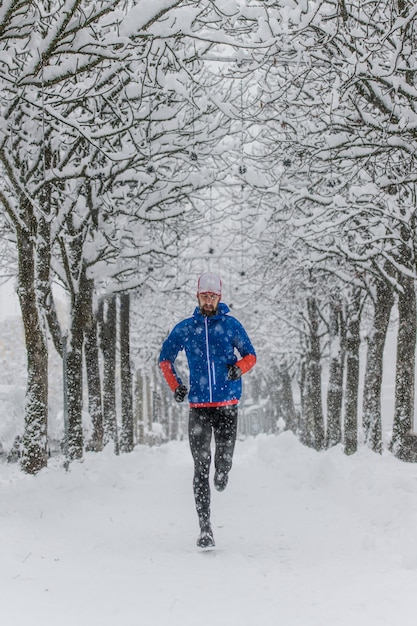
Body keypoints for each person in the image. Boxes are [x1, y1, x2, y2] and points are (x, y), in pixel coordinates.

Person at [159, 272, 256, 548]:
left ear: (219, 298)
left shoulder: (231, 325)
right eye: (205, 295)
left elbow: (251, 355)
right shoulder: (186, 328)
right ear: (198, 296)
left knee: (222, 461)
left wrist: (239, 368)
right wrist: (175, 385)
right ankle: (205, 528)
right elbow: (165, 359)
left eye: (213, 296)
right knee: (200, 467)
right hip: (199, 407)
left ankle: (223, 471)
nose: (209, 300)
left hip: (227, 405)